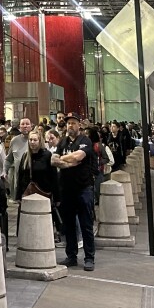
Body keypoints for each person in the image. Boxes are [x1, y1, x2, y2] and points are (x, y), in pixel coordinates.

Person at [53, 114, 96, 271]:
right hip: (67, 190)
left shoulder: (85, 141)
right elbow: (54, 160)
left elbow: (79, 156)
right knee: (69, 225)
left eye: (73, 123)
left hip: (83, 189)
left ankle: (89, 258)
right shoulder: (63, 142)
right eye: (68, 123)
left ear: (79, 125)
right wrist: (69, 161)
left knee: (86, 225)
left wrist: (65, 159)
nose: (70, 126)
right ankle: (71, 256)